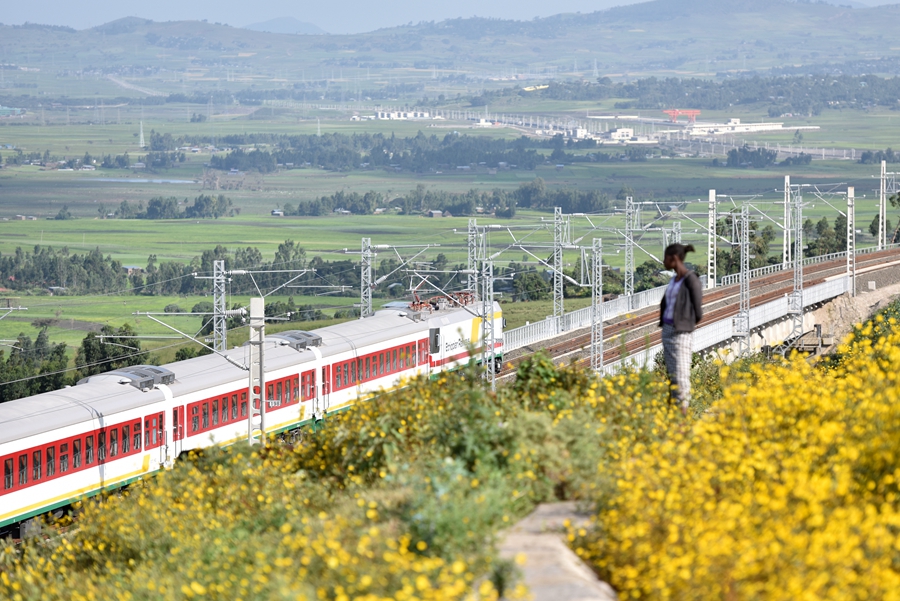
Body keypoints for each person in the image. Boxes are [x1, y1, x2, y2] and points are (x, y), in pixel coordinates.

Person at [659, 243, 703, 414]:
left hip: (681, 332)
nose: (663, 261)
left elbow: (698, 310)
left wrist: (686, 324)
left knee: (682, 372)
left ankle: (682, 414)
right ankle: (673, 411)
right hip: (668, 330)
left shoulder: (691, 279)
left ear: (674, 259)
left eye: (666, 258)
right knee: (672, 374)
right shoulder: (674, 279)